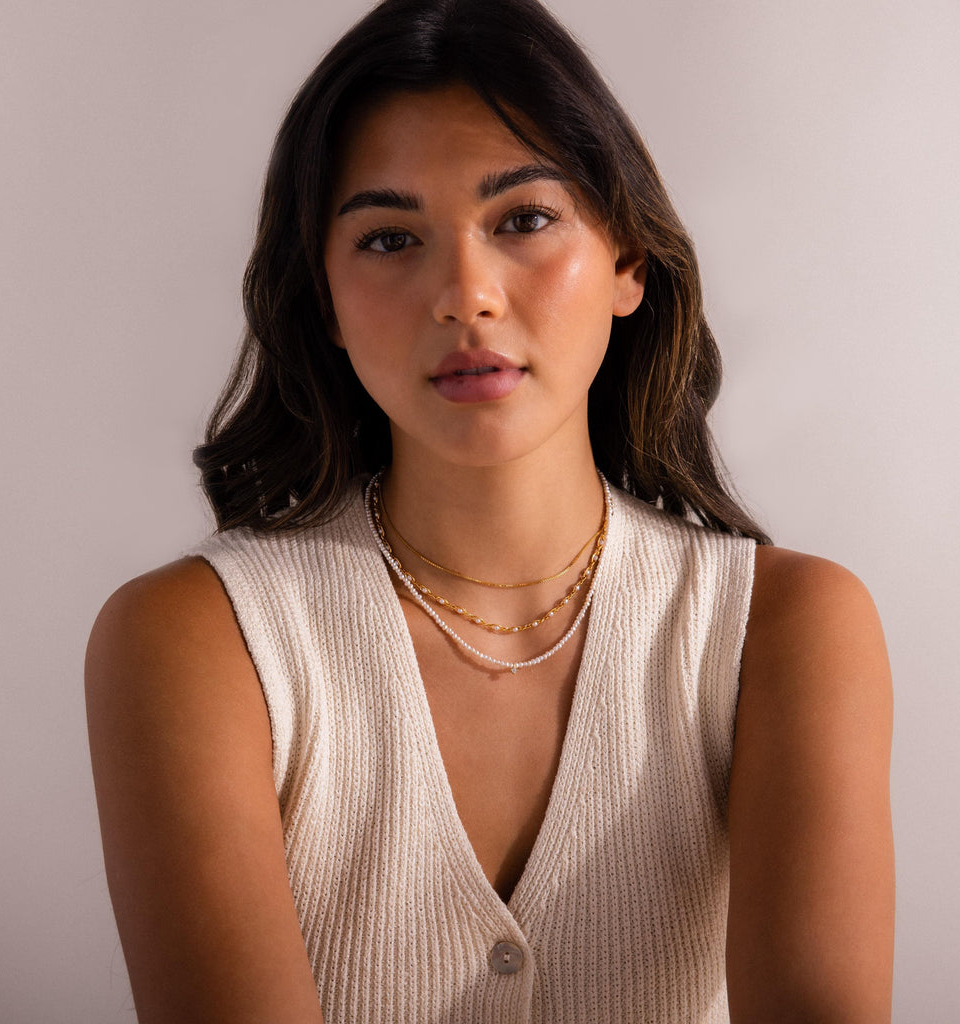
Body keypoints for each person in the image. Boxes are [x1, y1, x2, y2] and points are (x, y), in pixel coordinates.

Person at [85, 0, 895, 1021]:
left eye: (523, 219)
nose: (463, 293)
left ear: (627, 263)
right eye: (387, 238)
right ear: (324, 305)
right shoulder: (200, 641)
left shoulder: (783, 630)